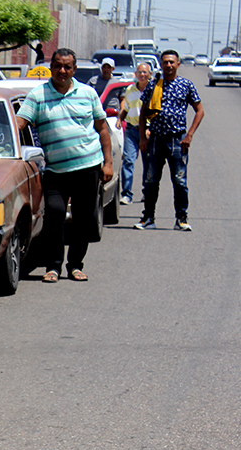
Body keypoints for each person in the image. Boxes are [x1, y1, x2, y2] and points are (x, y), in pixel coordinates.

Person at [16, 48, 113, 283]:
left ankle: (75, 265)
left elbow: (102, 128)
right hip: (55, 171)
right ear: (51, 67)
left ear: (74, 69)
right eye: (58, 65)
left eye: (67, 66)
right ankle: (53, 266)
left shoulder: (88, 93)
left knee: (83, 218)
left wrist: (108, 162)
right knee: (55, 215)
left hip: (88, 166)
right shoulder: (38, 95)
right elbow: (19, 123)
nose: (62, 70)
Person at [134, 49, 204, 231]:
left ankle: (181, 218)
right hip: (156, 140)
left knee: (179, 181)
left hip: (177, 141)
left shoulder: (186, 85)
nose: (169, 65)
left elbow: (200, 110)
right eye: (165, 62)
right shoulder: (154, 84)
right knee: (151, 181)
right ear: (161, 64)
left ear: (178, 64)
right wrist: (142, 137)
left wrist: (189, 135)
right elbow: (143, 113)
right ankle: (148, 218)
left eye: (172, 62)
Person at [117, 61, 153, 205]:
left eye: (145, 72)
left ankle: (147, 192)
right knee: (128, 161)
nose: (142, 75)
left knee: (148, 163)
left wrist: (151, 129)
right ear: (135, 74)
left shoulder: (154, 90)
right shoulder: (130, 90)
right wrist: (120, 119)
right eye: (140, 72)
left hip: (148, 131)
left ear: (150, 75)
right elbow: (127, 108)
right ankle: (126, 194)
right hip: (132, 130)